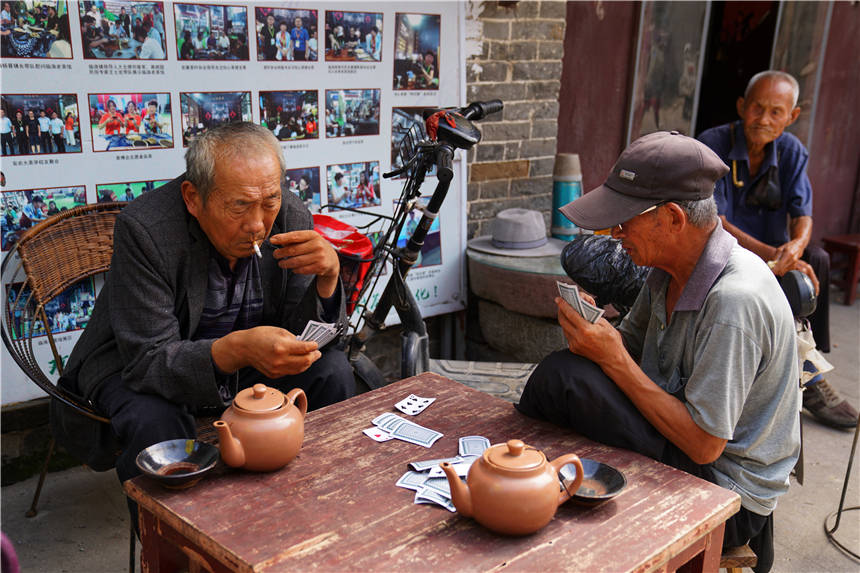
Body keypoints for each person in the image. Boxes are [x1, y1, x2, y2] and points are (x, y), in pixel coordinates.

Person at [517, 131, 800, 573]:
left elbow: (706, 446)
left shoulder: (733, 302)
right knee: (567, 373)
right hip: (685, 443)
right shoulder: (668, 269)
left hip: (728, 494)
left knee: (567, 380)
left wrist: (610, 357)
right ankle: (518, 476)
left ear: (671, 218)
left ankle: (519, 484)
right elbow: (628, 348)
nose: (614, 233)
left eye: (625, 220)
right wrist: (595, 336)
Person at [57, 122, 353, 527]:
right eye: (239, 206)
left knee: (332, 370)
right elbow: (148, 358)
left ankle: (316, 502)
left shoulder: (289, 215)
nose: (257, 224)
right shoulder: (147, 230)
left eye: (269, 200)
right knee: (158, 423)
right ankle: (172, 545)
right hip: (136, 363)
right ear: (193, 198)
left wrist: (329, 279)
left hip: (242, 359)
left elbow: (301, 332)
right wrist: (235, 350)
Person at [697, 70, 858, 430]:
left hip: (775, 255)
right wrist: (777, 255)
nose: (764, 119)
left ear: (792, 116)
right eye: (757, 108)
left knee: (816, 258)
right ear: (742, 107)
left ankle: (810, 369)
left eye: (775, 112)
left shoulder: (791, 151)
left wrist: (796, 249)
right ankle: (798, 374)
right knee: (789, 267)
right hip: (724, 249)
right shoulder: (714, 143)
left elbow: (803, 214)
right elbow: (715, 221)